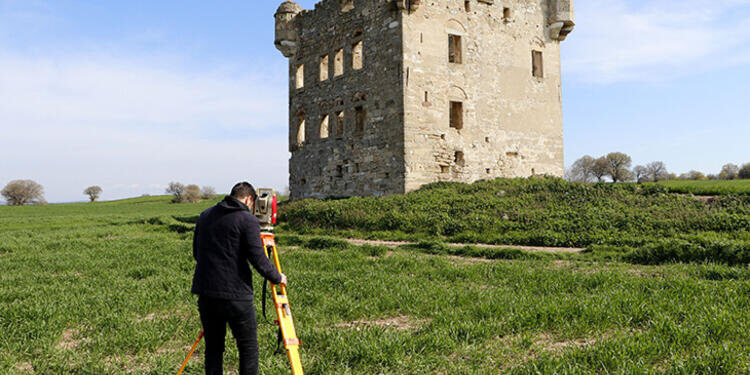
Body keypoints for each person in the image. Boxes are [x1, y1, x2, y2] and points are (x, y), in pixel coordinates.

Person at [191, 182, 287, 375]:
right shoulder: (247, 220)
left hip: (206, 293)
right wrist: (277, 277)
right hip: (236, 296)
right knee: (248, 348)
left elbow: (196, 252)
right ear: (249, 199)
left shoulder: (205, 215)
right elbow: (258, 259)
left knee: (214, 349)